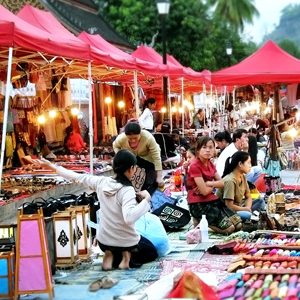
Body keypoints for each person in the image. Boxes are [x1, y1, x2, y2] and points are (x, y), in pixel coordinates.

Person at [35, 150, 158, 270]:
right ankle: (124, 257)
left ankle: (117, 256)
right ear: (131, 168)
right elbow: (129, 218)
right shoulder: (127, 190)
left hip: (104, 243)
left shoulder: (101, 182)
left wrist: (51, 166)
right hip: (125, 243)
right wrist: (146, 200)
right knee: (151, 251)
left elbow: (76, 177)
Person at [186, 136, 242, 234]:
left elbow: (223, 183)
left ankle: (203, 224)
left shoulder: (210, 164)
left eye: (211, 147)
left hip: (212, 201)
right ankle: (202, 225)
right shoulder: (195, 166)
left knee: (238, 224)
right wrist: (214, 185)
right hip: (199, 204)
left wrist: (209, 183)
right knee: (229, 228)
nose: (208, 150)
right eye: (204, 147)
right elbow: (204, 192)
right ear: (198, 150)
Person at [113, 121, 163, 194]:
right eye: (130, 138)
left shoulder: (148, 137)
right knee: (133, 181)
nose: (133, 141)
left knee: (150, 181)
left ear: (140, 134)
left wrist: (159, 176)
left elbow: (156, 158)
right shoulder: (121, 138)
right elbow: (115, 146)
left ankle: (149, 197)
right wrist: (122, 157)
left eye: (135, 138)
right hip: (134, 159)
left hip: (149, 159)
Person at [217, 151, 265, 221]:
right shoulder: (230, 180)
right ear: (240, 164)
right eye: (248, 163)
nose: (250, 166)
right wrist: (245, 209)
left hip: (239, 208)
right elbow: (229, 206)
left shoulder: (242, 176)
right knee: (247, 215)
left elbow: (248, 196)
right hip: (226, 212)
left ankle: (250, 214)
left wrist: (247, 208)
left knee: (260, 201)